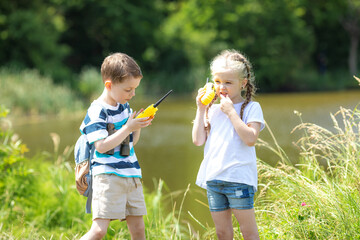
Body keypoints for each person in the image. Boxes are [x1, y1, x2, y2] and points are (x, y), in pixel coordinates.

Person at [192, 49, 265, 240]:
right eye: (217, 82)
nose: (221, 87)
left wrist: (232, 113)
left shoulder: (251, 108)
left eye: (228, 82)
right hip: (214, 179)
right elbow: (198, 140)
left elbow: (250, 138)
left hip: (238, 179)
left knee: (248, 232)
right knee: (222, 233)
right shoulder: (213, 110)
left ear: (243, 83)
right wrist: (201, 109)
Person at [79, 52, 153, 240]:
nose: (133, 94)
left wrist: (138, 126)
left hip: (131, 175)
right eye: (128, 90)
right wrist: (128, 127)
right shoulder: (97, 111)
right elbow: (102, 146)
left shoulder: (124, 107)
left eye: (135, 89)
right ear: (109, 85)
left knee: (138, 230)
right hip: (108, 176)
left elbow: (130, 143)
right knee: (99, 230)